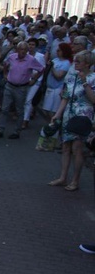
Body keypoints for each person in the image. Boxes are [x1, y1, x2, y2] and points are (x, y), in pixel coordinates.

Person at [47, 50, 95, 192]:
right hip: (69, 114)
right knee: (66, 147)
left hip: (83, 115)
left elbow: (93, 100)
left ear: (87, 63)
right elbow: (66, 97)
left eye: (78, 61)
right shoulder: (72, 77)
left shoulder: (93, 78)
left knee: (77, 149)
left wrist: (85, 82)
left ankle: (75, 180)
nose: (75, 63)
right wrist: (58, 114)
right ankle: (63, 177)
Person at [0, 41, 45, 140]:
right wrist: (5, 74)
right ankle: (0, 129)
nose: (23, 52)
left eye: (25, 50)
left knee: (20, 110)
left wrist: (34, 79)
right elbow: (5, 64)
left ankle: (17, 131)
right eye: (21, 49)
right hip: (9, 85)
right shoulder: (12, 57)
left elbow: (41, 69)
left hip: (21, 87)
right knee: (5, 109)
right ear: (17, 50)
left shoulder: (31, 60)